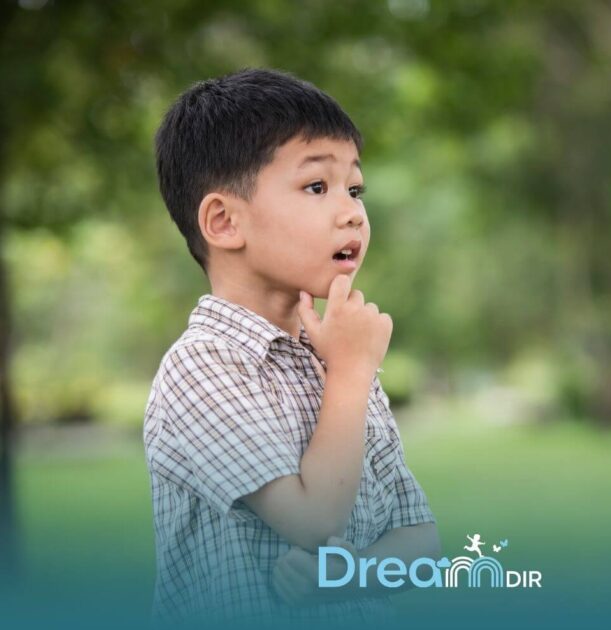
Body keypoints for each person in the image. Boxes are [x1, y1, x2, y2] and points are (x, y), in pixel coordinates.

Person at [143, 68, 440, 627]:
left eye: (355, 189)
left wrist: (351, 576)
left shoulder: (336, 356)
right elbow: (310, 520)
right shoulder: (202, 365)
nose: (352, 211)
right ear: (225, 221)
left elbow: (420, 537)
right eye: (316, 187)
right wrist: (350, 374)